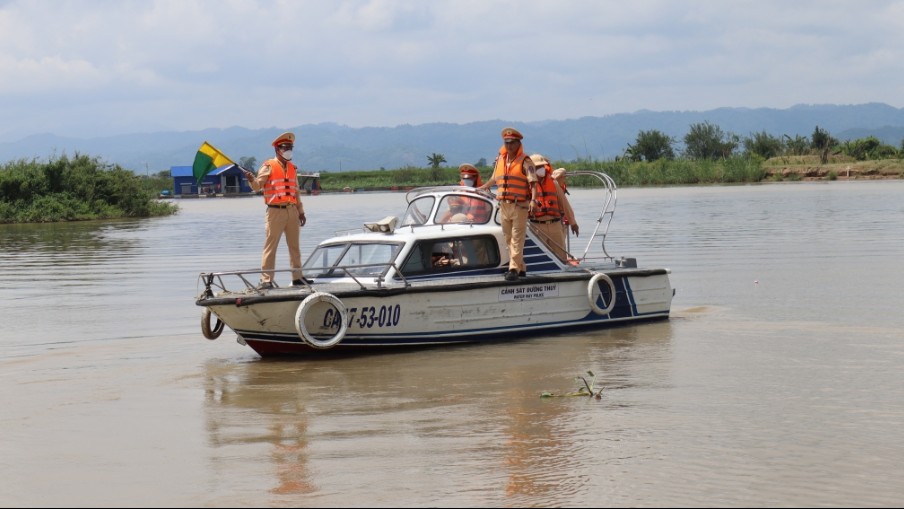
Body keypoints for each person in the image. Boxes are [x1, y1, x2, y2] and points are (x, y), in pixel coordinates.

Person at [242, 132, 310, 289]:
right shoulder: (268, 166)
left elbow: (296, 192)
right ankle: (266, 280)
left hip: (292, 210)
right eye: (285, 147)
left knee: (295, 246)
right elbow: (258, 186)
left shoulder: (292, 168)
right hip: (275, 211)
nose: (289, 150)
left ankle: (298, 277)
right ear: (278, 149)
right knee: (270, 246)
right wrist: (251, 179)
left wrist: (301, 211)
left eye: (290, 147)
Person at [478, 127, 538, 281]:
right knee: (508, 238)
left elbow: (533, 183)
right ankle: (521, 267)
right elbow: (494, 179)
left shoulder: (525, 161)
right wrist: (484, 187)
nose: (509, 146)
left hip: (520, 205)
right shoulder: (500, 160)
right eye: (507, 143)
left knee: (517, 238)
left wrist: (533, 200)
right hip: (503, 205)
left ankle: (513, 269)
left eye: (512, 143)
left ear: (518, 143)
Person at [528, 154, 579, 262]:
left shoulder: (553, 183)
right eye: (537, 167)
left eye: (541, 166)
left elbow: (564, 203)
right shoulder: (527, 185)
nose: (540, 169)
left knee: (561, 257)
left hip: (555, 225)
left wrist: (573, 223)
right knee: (540, 257)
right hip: (537, 225)